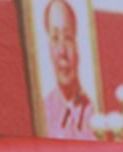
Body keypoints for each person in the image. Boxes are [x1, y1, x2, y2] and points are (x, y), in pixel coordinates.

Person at [41, 0, 95, 139]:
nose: (62, 52)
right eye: (55, 38)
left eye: (68, 38)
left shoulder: (96, 111)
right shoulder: (42, 113)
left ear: (78, 45)